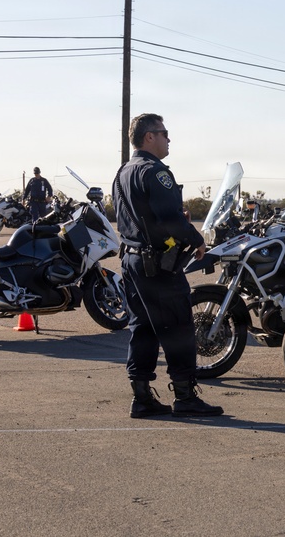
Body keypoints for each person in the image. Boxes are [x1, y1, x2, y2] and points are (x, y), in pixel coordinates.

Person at [113, 113, 223, 418]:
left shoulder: (123, 171)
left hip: (132, 261)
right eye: (164, 133)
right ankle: (185, 395)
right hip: (158, 265)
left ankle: (142, 396)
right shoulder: (155, 172)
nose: (168, 138)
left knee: (143, 328)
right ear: (149, 137)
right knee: (178, 327)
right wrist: (196, 238)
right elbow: (170, 219)